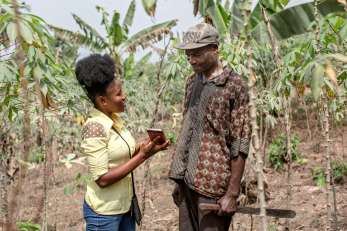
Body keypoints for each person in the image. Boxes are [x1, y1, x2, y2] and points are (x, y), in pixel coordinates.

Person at [168, 23, 252, 231]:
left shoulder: (234, 85)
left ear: (215, 48)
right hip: (187, 183)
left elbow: (240, 143)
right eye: (188, 56)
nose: (191, 61)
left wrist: (232, 194)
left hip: (213, 187)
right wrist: (179, 181)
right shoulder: (191, 82)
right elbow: (187, 131)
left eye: (196, 55)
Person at [76, 54, 170, 231]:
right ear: (102, 100)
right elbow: (102, 179)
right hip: (104, 213)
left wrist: (145, 147)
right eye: (119, 94)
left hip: (125, 207)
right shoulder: (95, 127)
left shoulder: (115, 121)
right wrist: (142, 156)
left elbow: (120, 155)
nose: (124, 96)